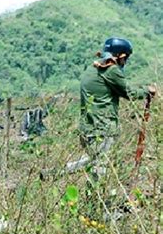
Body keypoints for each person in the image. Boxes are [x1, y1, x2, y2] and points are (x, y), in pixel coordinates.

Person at [66, 37, 156, 218]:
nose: (125, 62)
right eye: (126, 58)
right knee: (101, 170)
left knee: (96, 164)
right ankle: (97, 213)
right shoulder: (111, 70)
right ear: (120, 56)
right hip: (102, 129)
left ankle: (72, 179)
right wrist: (148, 91)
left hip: (88, 128)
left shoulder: (92, 68)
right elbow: (128, 93)